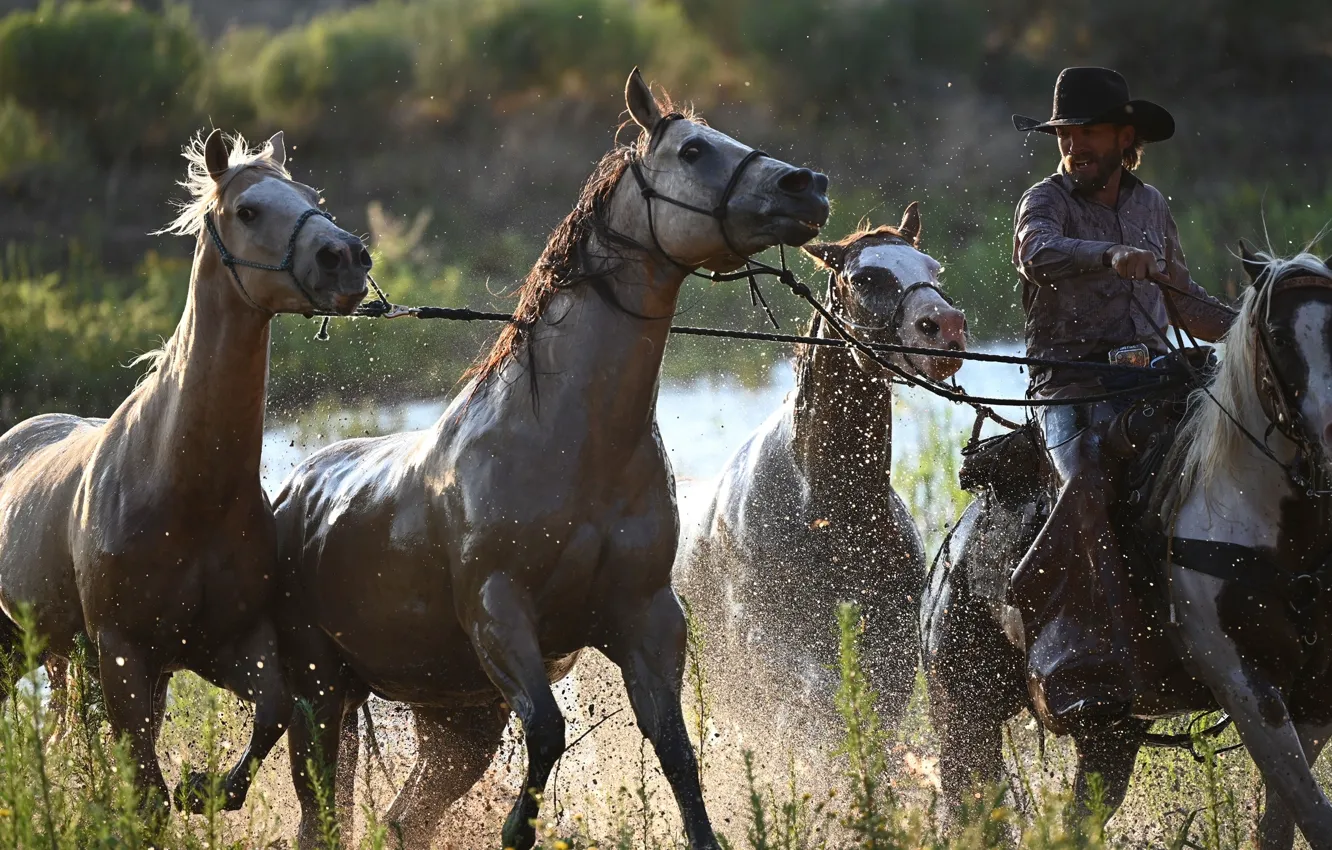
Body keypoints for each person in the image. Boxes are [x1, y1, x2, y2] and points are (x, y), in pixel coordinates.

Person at [1007, 67, 1234, 734]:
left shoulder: (1153, 206)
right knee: (1084, 480)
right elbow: (1036, 253)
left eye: (1089, 133)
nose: (1075, 146)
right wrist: (1109, 255)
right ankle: (1066, 641)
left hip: (1155, 384)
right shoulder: (1042, 202)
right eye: (1066, 135)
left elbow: (1186, 302)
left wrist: (1258, 323)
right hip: (1068, 387)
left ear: (1125, 138)